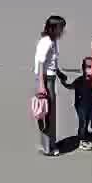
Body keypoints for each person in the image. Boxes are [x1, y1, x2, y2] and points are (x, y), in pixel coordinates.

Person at [33, 15, 66, 156]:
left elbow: (51, 61)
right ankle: (49, 147)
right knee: (47, 113)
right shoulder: (46, 42)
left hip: (50, 78)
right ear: (54, 28)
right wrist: (42, 85)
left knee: (49, 112)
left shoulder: (53, 41)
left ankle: (50, 143)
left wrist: (59, 73)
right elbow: (41, 63)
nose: (62, 31)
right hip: (46, 80)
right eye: (61, 28)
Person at [61, 56, 92, 151]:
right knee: (83, 122)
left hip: (90, 104)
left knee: (87, 121)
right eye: (90, 67)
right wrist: (63, 81)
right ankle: (81, 141)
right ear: (84, 69)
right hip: (81, 106)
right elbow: (70, 86)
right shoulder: (79, 80)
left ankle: (85, 134)